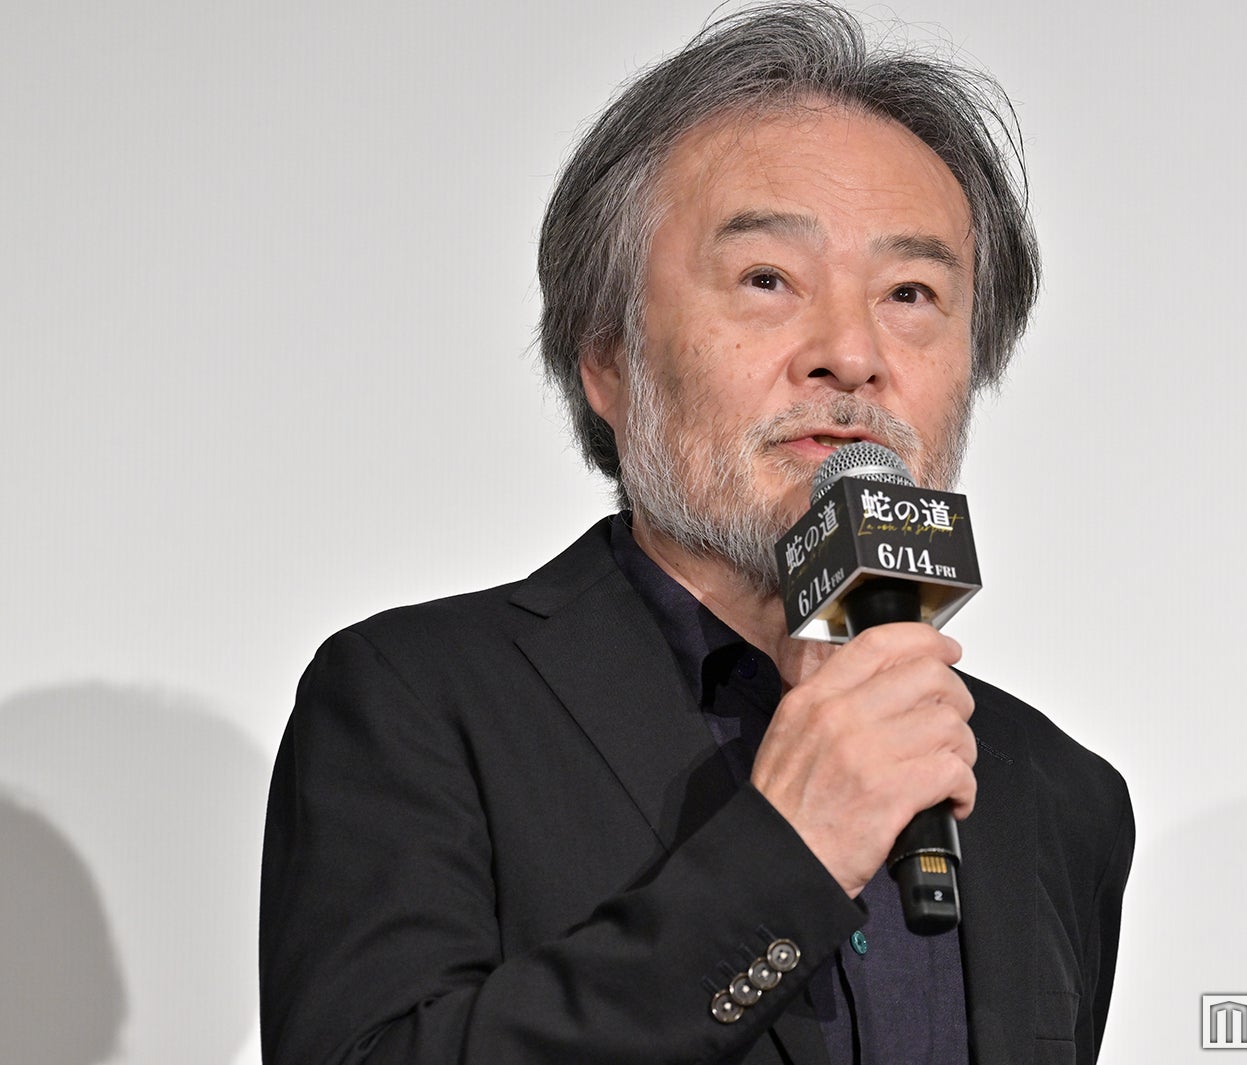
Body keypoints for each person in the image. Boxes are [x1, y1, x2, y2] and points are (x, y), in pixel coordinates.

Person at [259, 4, 1133, 1063]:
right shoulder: (417, 702)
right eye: (768, 280)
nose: (851, 355)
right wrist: (788, 857)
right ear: (607, 358)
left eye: (910, 293)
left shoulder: (1057, 791)